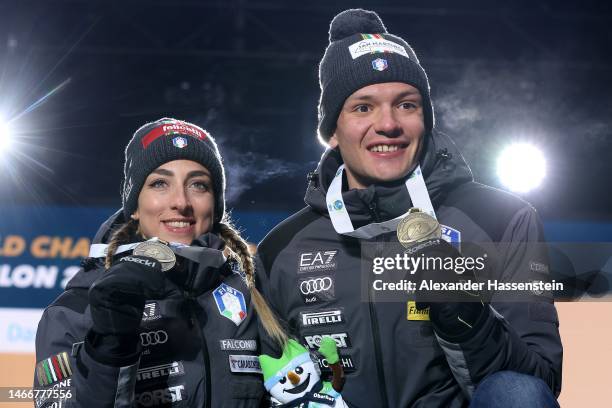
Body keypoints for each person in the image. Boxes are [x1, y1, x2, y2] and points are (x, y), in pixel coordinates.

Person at [256, 9, 562, 408]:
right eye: (363, 107)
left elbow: (539, 384)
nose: (388, 124)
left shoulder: (501, 220)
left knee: (516, 393)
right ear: (332, 131)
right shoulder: (282, 252)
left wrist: (466, 317)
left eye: (406, 105)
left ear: (426, 120)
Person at [34, 117, 286, 407]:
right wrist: (108, 347)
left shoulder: (252, 294)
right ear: (135, 207)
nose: (181, 201)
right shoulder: (76, 309)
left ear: (215, 206)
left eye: (199, 185)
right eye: (159, 183)